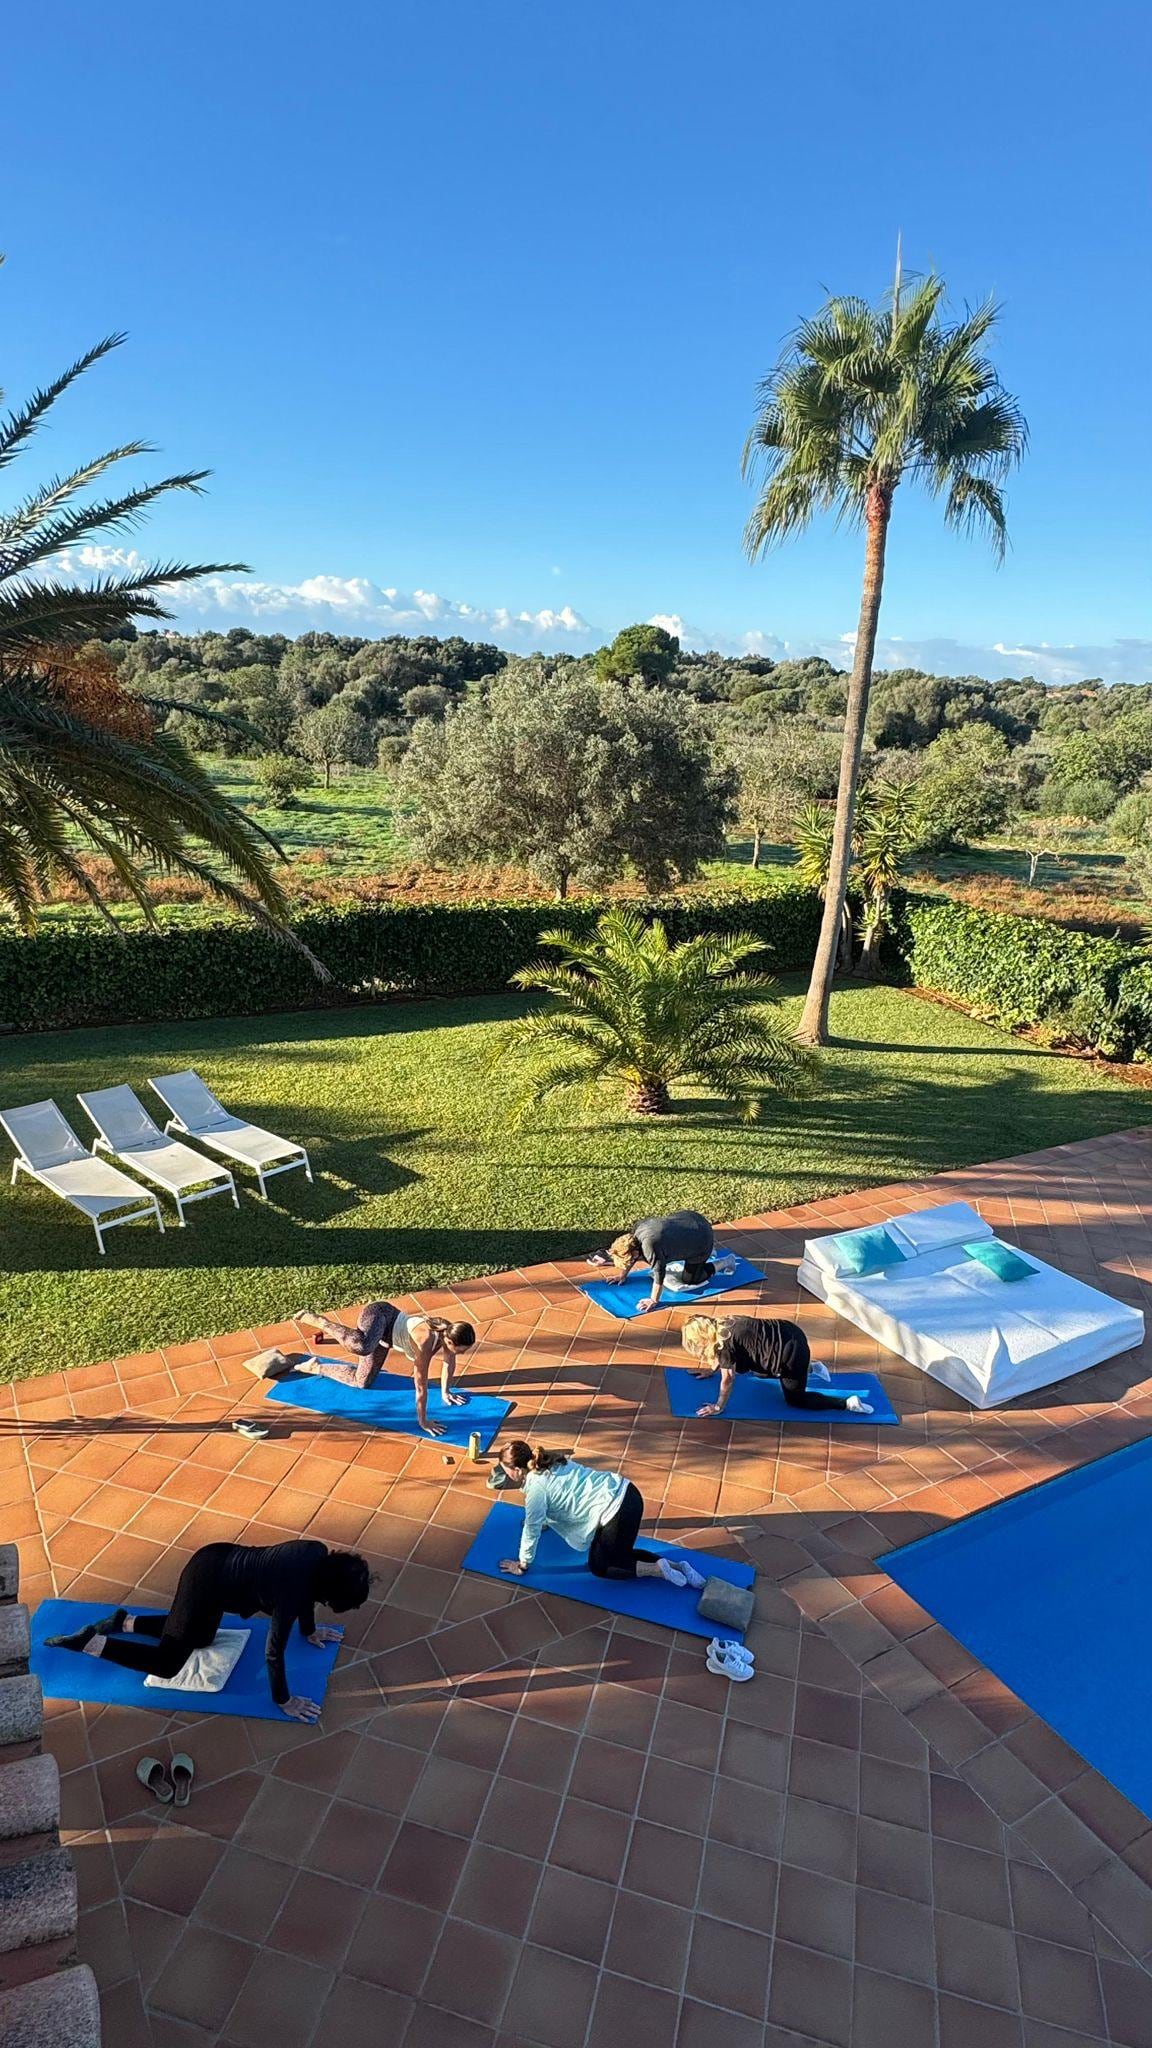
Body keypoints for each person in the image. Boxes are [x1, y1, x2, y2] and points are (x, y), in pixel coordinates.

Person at [45, 1540, 370, 1722]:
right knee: (168, 1664)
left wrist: (309, 1631)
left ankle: (125, 1622)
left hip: (219, 1561)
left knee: (201, 1638)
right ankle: (91, 1643)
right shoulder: (292, 1593)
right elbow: (273, 1651)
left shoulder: (316, 1552)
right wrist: (284, 1700)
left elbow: (308, 1593)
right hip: (206, 1579)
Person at [494, 1440, 706, 1587]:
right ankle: (679, 1567)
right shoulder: (550, 1460)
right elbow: (562, 1494)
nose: (506, 1474)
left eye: (506, 1470)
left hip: (615, 1514)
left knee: (601, 1566)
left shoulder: (536, 1490)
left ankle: (657, 1570)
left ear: (518, 1471)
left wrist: (522, 1564)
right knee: (621, 1551)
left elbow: (531, 1530)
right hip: (630, 1495)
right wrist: (546, 1521)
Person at [295, 1301, 476, 1438]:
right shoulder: (425, 1342)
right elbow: (420, 1386)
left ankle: (316, 1367)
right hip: (380, 1315)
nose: (462, 1353)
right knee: (363, 1345)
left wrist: (446, 1392)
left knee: (361, 1382)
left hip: (384, 1339)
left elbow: (449, 1363)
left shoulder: (449, 1333)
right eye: (461, 1349)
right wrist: (423, 1421)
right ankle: (322, 1322)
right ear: (450, 1341)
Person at [681, 1314, 874, 1418]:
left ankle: (848, 1404)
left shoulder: (724, 1346)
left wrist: (718, 1406)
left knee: (796, 1399)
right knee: (755, 1370)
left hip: (791, 1354)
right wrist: (710, 1369)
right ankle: (810, 1368)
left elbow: (728, 1378)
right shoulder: (724, 1322)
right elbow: (726, 1355)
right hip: (791, 1331)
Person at [588, 1210, 736, 1313]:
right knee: (674, 1246)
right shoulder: (635, 1233)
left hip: (701, 1238)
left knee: (691, 1280)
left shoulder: (650, 1247)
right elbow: (630, 1255)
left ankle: (725, 1261)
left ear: (635, 1253)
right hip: (690, 1219)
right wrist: (622, 1275)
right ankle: (708, 1250)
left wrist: (653, 1300)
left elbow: (659, 1274)